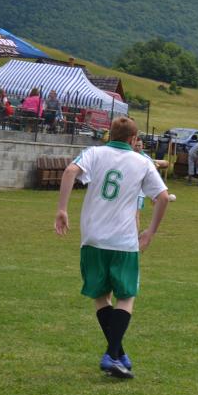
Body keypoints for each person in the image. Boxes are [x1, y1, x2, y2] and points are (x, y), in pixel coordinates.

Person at [55, 117, 169, 379]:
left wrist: (62, 209)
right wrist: (150, 232)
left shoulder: (94, 153)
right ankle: (111, 354)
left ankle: (118, 353)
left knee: (100, 296)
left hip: (92, 238)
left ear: (110, 135)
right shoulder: (142, 162)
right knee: (126, 297)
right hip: (123, 241)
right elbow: (163, 197)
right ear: (133, 139)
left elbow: (70, 171)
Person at [133, 137, 170, 230]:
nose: (137, 147)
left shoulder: (146, 159)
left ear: (142, 146)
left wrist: (154, 196)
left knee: (135, 215)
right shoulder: (129, 156)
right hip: (129, 191)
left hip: (139, 193)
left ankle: (135, 236)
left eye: (139, 145)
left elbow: (165, 164)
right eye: (136, 145)